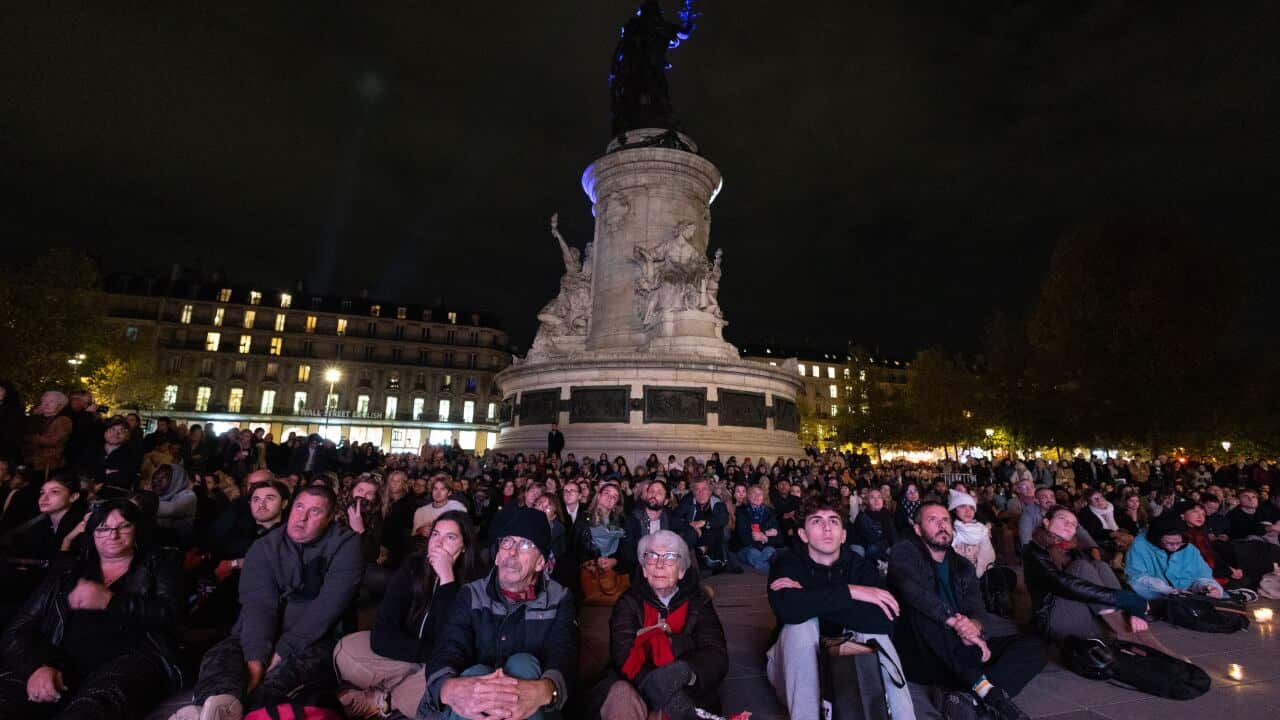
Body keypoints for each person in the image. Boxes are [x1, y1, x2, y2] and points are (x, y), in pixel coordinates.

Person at [170, 485, 365, 720]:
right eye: (299, 507)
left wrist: (281, 652)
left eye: (315, 512)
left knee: (279, 681)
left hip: (317, 638)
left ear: (331, 517)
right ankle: (215, 705)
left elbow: (328, 607)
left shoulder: (347, 544)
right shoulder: (265, 546)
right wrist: (256, 660)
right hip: (263, 631)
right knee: (221, 657)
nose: (301, 518)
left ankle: (242, 711)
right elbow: (259, 605)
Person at [0, 499, 183, 719]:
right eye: (103, 528)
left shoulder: (159, 563)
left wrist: (111, 601)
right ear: (92, 533)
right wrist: (36, 668)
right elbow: (18, 628)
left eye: (123, 526)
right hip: (56, 661)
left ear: (136, 529)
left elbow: (172, 614)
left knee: (88, 711)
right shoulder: (69, 571)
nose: (112, 535)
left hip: (128, 663)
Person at [888, 502, 1045, 720]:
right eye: (932, 520)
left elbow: (976, 608)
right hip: (925, 651)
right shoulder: (904, 552)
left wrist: (974, 626)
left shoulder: (963, 566)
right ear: (917, 529)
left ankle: (969, 698)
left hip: (966, 648)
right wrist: (955, 622)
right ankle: (989, 694)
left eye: (945, 520)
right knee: (922, 612)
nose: (942, 525)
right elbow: (913, 591)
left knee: (1037, 646)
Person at [420, 507, 577, 720]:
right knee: (475, 673)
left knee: (524, 664)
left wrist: (545, 690)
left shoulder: (559, 599)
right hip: (473, 705)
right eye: (507, 542)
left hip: (528, 705)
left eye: (525, 544)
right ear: (496, 556)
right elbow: (448, 645)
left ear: (541, 562)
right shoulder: (471, 594)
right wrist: (450, 688)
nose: (512, 552)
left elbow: (563, 653)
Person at [767, 496, 916, 720]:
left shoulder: (860, 566)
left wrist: (809, 597)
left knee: (877, 635)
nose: (827, 528)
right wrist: (852, 592)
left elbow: (885, 619)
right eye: (817, 521)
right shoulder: (787, 562)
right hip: (795, 674)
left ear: (844, 535)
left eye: (834, 521)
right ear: (803, 534)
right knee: (800, 626)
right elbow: (787, 609)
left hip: (851, 672)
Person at [334, 510, 476, 718]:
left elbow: (452, 643)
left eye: (450, 537)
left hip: (440, 665)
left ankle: (386, 701)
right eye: (435, 534)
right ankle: (403, 691)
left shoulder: (474, 584)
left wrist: (447, 579)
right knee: (345, 649)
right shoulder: (413, 566)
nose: (438, 543)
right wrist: (424, 657)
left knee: (452, 678)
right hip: (409, 657)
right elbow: (383, 630)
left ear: (464, 547)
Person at [592, 529, 731, 720]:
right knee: (620, 696)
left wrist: (683, 671)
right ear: (644, 569)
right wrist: (656, 684)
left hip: (686, 689)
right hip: (634, 684)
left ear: (681, 570)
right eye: (652, 556)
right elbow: (622, 652)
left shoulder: (699, 602)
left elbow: (716, 653)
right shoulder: (628, 602)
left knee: (680, 707)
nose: (659, 564)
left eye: (670, 557)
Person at [1022, 505, 1159, 646]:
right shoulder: (1034, 551)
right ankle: (1133, 638)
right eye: (1062, 519)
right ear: (1046, 522)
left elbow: (1098, 582)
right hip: (1055, 620)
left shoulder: (1073, 550)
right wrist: (1123, 598)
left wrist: (1132, 601)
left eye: (1074, 524)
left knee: (1101, 566)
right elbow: (1064, 583)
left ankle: (1135, 634)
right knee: (1082, 567)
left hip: (1084, 617)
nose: (1069, 525)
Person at [1125, 514, 1221, 600]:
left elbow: (1203, 575)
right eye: (1169, 543)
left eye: (1178, 543)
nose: (1175, 547)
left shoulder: (1189, 549)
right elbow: (1136, 578)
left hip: (1188, 598)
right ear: (1157, 538)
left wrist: (1207, 587)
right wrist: (1168, 591)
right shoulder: (1140, 545)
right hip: (1154, 599)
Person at [621, 479, 686, 573]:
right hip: (640, 569)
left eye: (659, 492)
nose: (653, 495)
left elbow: (689, 532)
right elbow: (628, 552)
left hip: (665, 566)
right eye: (651, 491)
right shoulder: (633, 519)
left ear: (666, 501)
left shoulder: (670, 517)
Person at [676, 477, 731, 573]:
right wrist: (690, 525)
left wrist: (704, 523)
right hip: (694, 537)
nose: (701, 493)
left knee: (720, 529)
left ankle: (703, 553)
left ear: (710, 491)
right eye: (697, 490)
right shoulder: (687, 500)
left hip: (712, 538)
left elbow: (724, 519)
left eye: (704, 489)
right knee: (690, 533)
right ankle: (698, 557)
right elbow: (674, 519)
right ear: (693, 492)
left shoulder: (716, 502)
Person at [23, 391, 72, 476]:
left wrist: (33, 437)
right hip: (30, 462)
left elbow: (53, 441)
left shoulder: (63, 420)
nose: (46, 404)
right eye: (44, 401)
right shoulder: (36, 418)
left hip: (48, 465)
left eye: (51, 402)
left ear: (60, 405)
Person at [734, 485, 781, 572]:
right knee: (753, 553)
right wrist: (767, 533)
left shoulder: (770, 512)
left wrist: (764, 536)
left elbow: (778, 537)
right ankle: (776, 572)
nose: (757, 496)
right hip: (747, 548)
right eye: (754, 493)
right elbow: (744, 537)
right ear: (748, 496)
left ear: (763, 497)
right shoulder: (741, 511)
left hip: (766, 546)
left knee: (769, 550)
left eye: (760, 494)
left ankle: (764, 566)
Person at [949, 492, 995, 578]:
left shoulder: (981, 529)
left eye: (971, 507)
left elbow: (987, 557)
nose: (968, 511)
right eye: (962, 506)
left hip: (979, 576)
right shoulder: (949, 530)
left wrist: (976, 578)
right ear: (954, 510)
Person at [852, 487, 897, 563]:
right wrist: (887, 549)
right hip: (869, 548)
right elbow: (871, 539)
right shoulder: (862, 516)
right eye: (872, 497)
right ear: (867, 501)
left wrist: (896, 547)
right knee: (874, 548)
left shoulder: (887, 514)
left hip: (884, 547)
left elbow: (894, 534)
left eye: (879, 497)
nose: (876, 500)